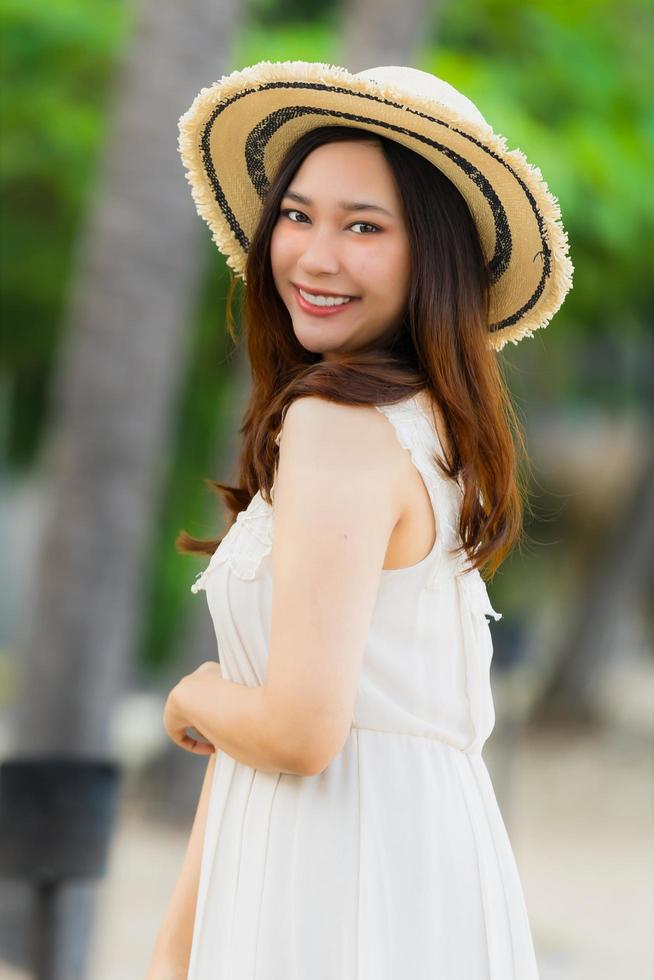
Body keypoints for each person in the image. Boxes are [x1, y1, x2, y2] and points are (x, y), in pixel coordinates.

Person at [147, 61, 573, 979]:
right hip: (404, 868)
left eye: (364, 227)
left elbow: (297, 731)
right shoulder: (426, 431)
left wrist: (193, 696)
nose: (315, 255)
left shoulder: (339, 427)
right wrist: (176, 950)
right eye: (297, 215)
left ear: (435, 256)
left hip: (341, 879)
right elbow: (274, 725)